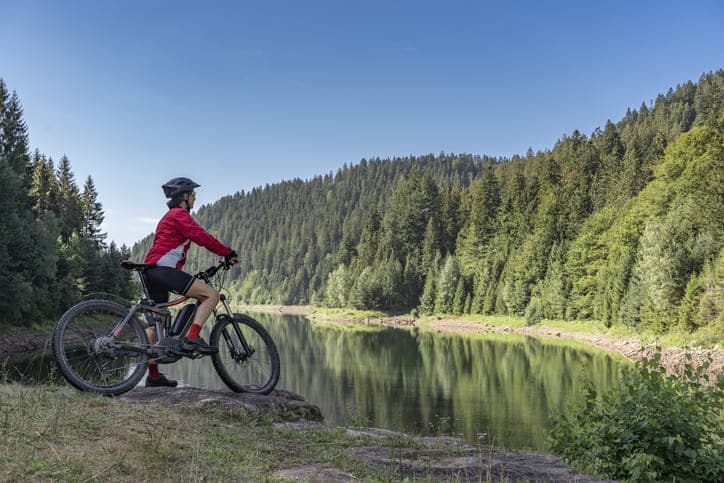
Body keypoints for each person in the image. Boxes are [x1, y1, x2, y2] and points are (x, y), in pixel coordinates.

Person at [142, 177, 238, 387]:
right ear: (184, 197)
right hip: (163, 270)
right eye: (193, 194)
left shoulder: (168, 216)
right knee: (211, 295)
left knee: (156, 323)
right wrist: (227, 253)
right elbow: (200, 236)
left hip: (151, 271)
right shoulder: (179, 214)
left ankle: (153, 375)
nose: (195, 197)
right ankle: (192, 337)